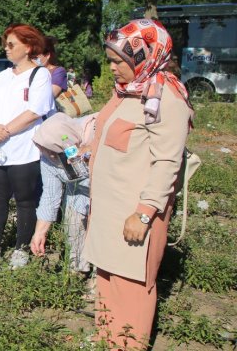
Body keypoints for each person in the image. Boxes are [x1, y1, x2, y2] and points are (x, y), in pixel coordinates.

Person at [84, 19, 192, 350]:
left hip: (133, 211)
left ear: (146, 55)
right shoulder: (129, 92)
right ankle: (108, 339)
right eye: (111, 60)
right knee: (108, 278)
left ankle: (128, 344)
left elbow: (167, 162)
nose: (113, 68)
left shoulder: (165, 99)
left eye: (119, 61)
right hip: (109, 209)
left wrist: (144, 213)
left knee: (130, 284)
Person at [0, 23, 53, 269]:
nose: (6, 49)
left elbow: (34, 112)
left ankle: (21, 247)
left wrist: (1, 133)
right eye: (5, 44)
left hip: (23, 150)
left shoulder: (40, 75)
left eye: (11, 44)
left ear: (28, 47)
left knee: (25, 200)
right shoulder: (2, 76)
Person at [29, 112, 96, 274]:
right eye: (45, 151)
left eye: (53, 152)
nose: (49, 155)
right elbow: (50, 197)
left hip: (104, 192)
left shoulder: (93, 135)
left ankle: (100, 278)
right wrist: (39, 233)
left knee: (101, 232)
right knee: (73, 225)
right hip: (77, 190)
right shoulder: (48, 155)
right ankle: (78, 268)